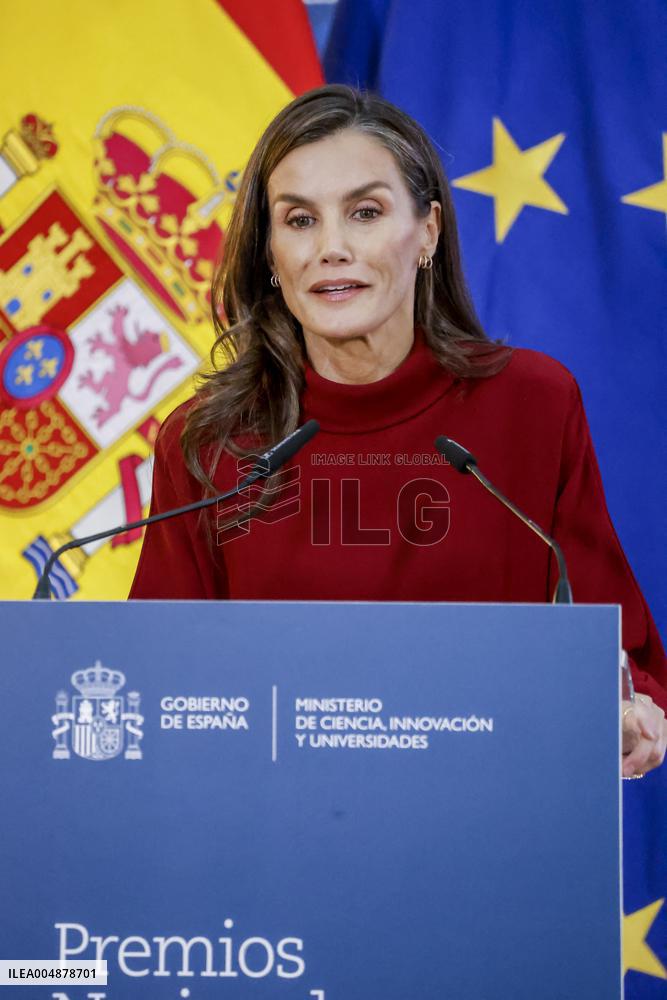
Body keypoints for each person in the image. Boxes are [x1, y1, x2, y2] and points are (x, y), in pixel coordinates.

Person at [129, 85, 666, 778]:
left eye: (365, 213)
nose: (331, 248)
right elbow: (157, 681)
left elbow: (616, 656)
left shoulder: (531, 404)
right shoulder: (206, 443)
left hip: (491, 824)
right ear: (267, 254)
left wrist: (632, 712)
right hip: (273, 838)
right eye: (298, 220)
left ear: (428, 233)